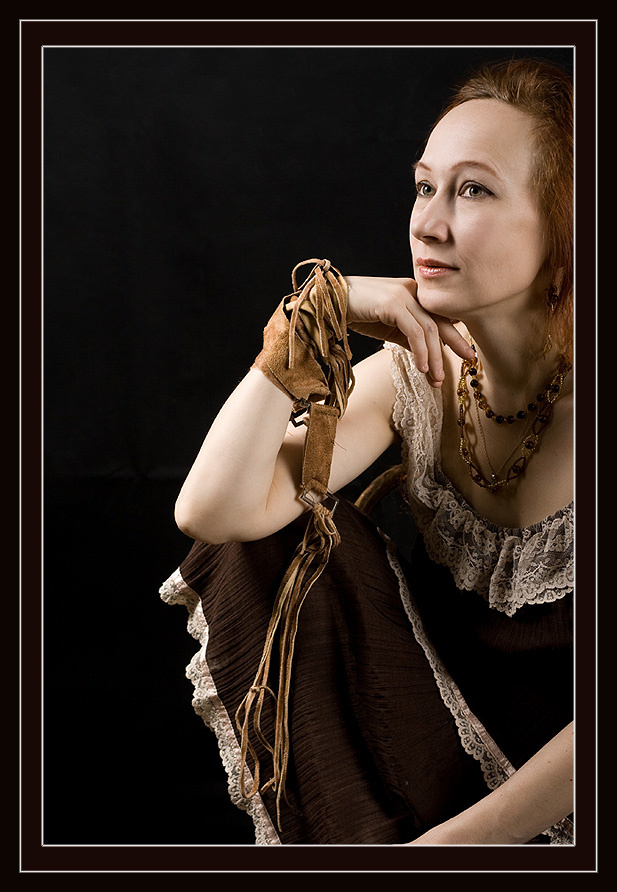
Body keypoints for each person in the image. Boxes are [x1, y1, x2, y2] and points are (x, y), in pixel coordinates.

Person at [161, 57, 574, 846]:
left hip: (560, 809)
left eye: (473, 191)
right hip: (449, 761)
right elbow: (214, 512)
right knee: (272, 539)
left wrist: (453, 849)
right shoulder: (417, 378)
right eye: (424, 186)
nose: (427, 224)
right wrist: (315, 312)